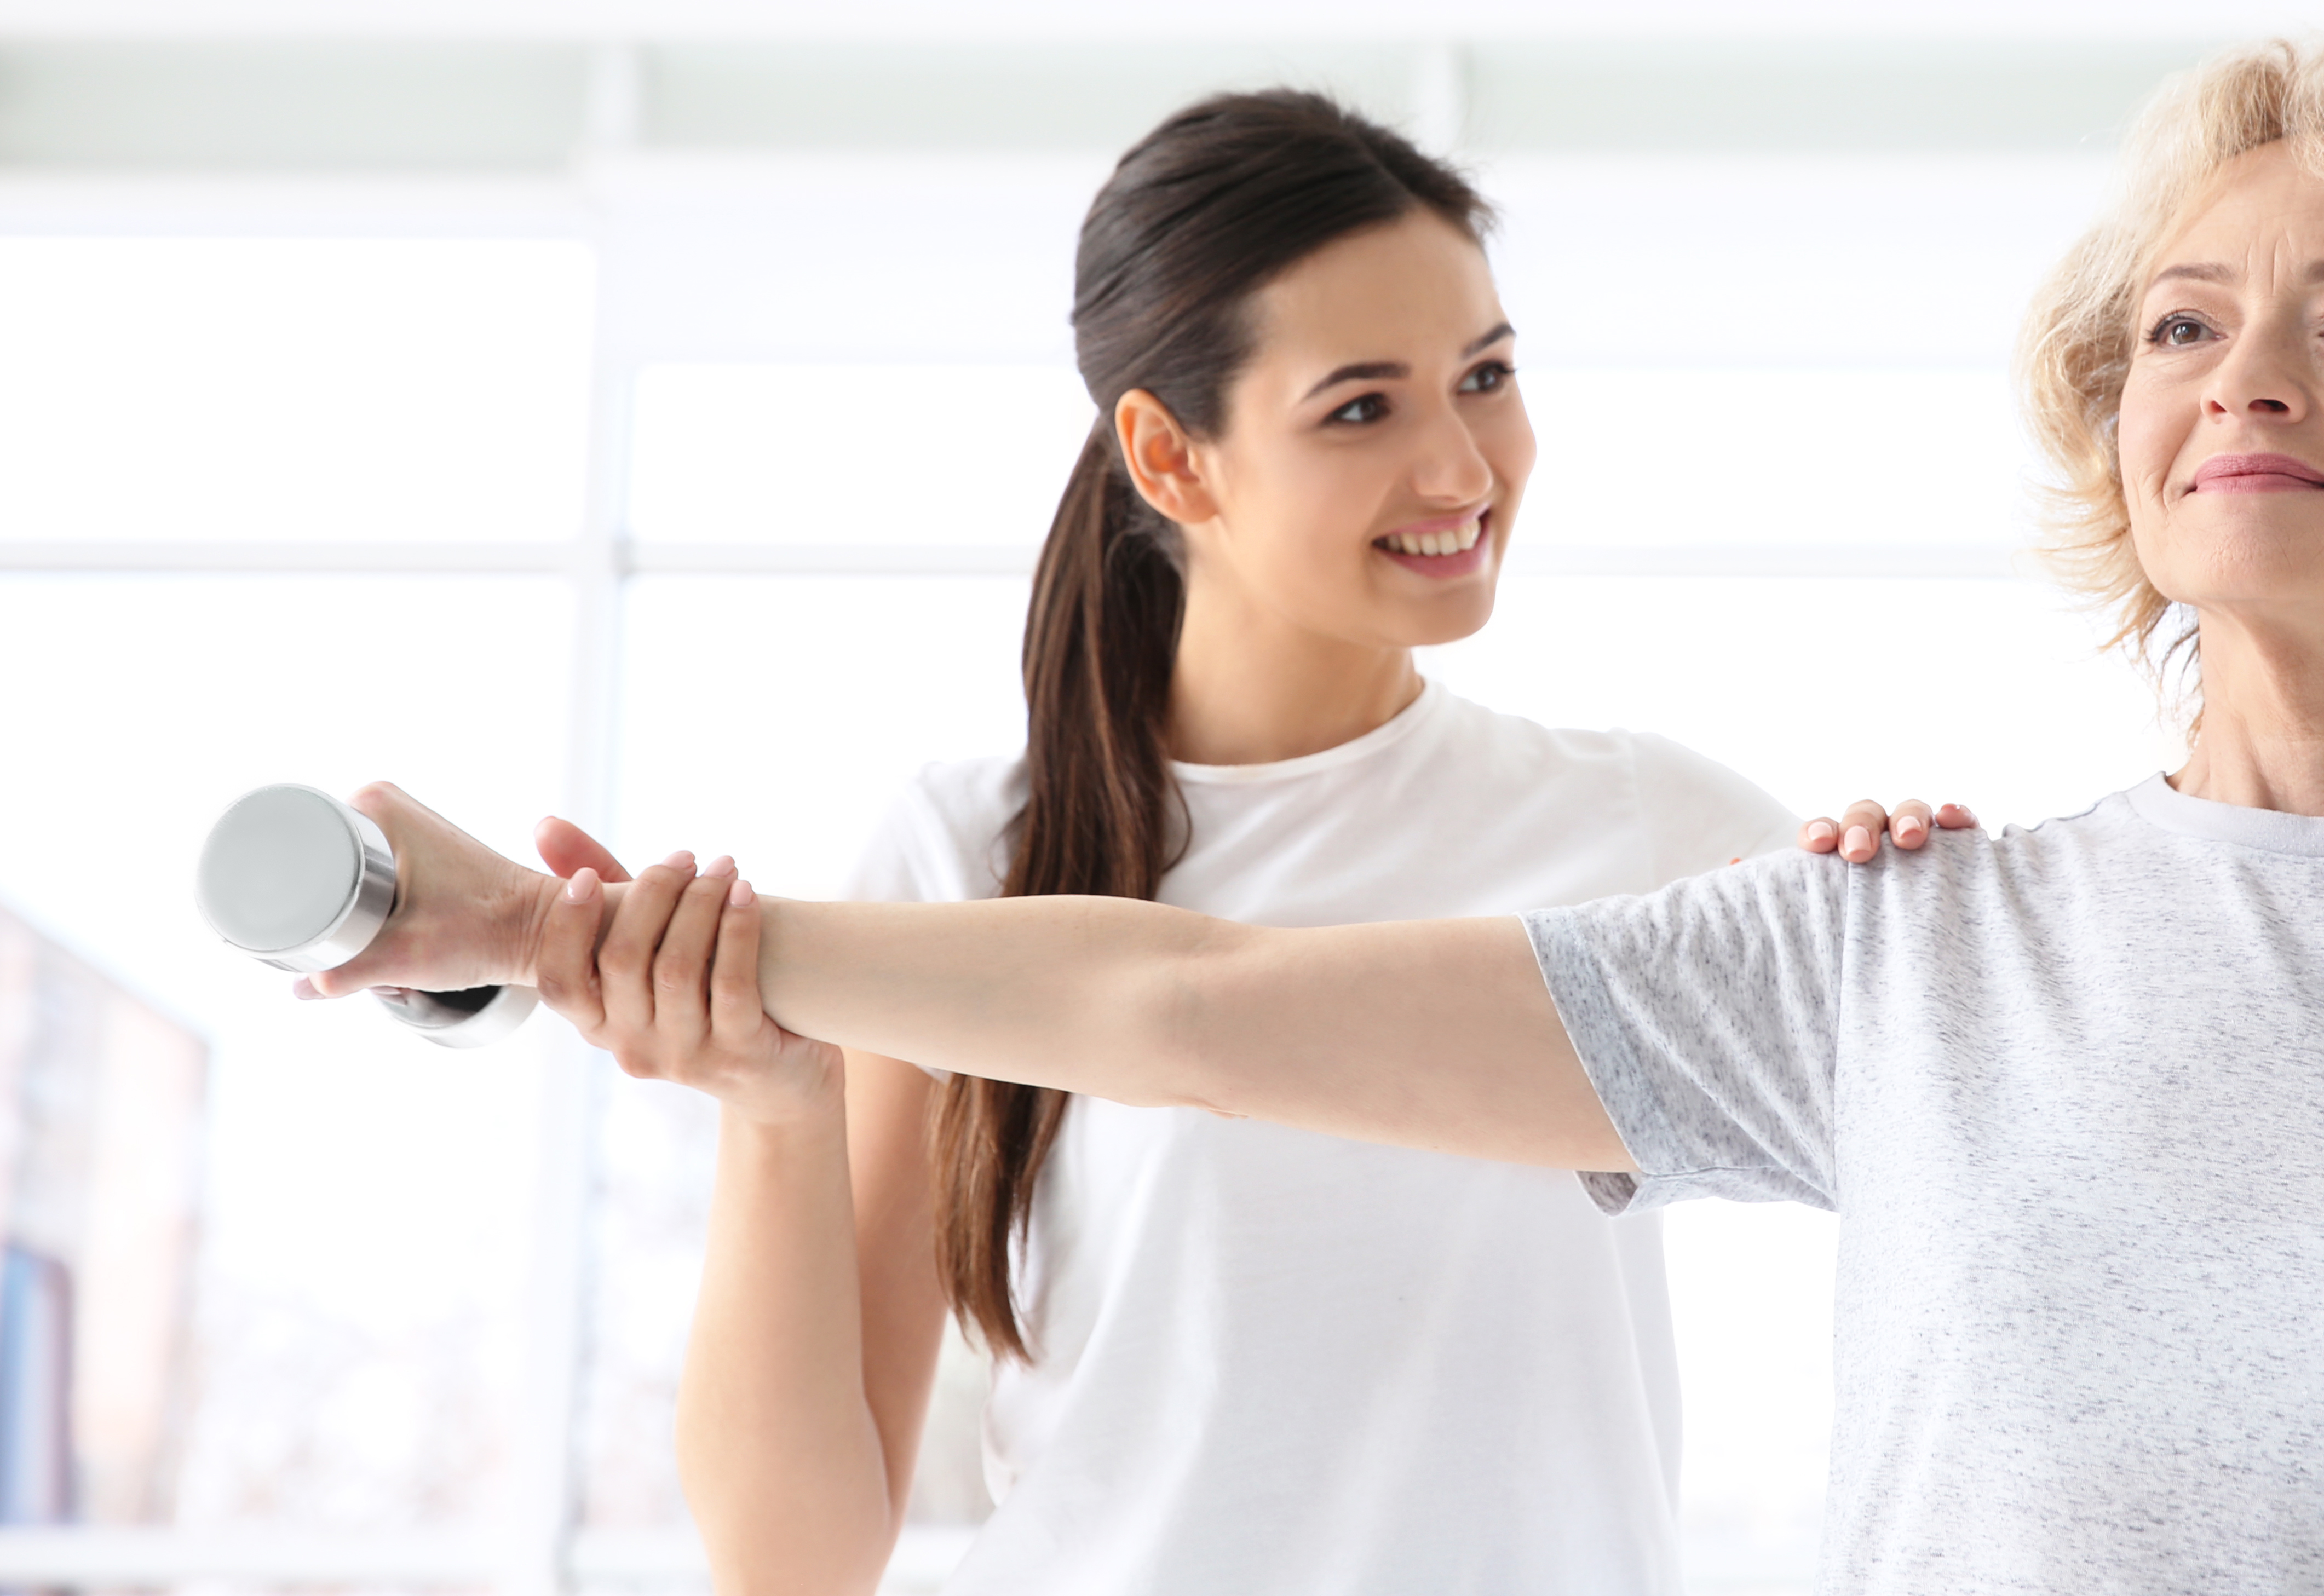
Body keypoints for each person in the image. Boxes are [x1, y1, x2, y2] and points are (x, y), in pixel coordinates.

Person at [326, 42, 2324, 1596]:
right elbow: (1181, 999)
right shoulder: (1901, 947)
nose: (2246, 376)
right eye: (2179, 324)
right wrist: (563, 936)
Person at [472, 91, 1800, 1595]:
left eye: (1484, 377)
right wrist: (772, 1105)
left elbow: (1952, 1081)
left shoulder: (1646, 828)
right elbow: (796, 1563)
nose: (1461, 469)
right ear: (1171, 458)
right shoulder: (967, 854)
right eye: (1362, 408)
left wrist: (1900, 881)